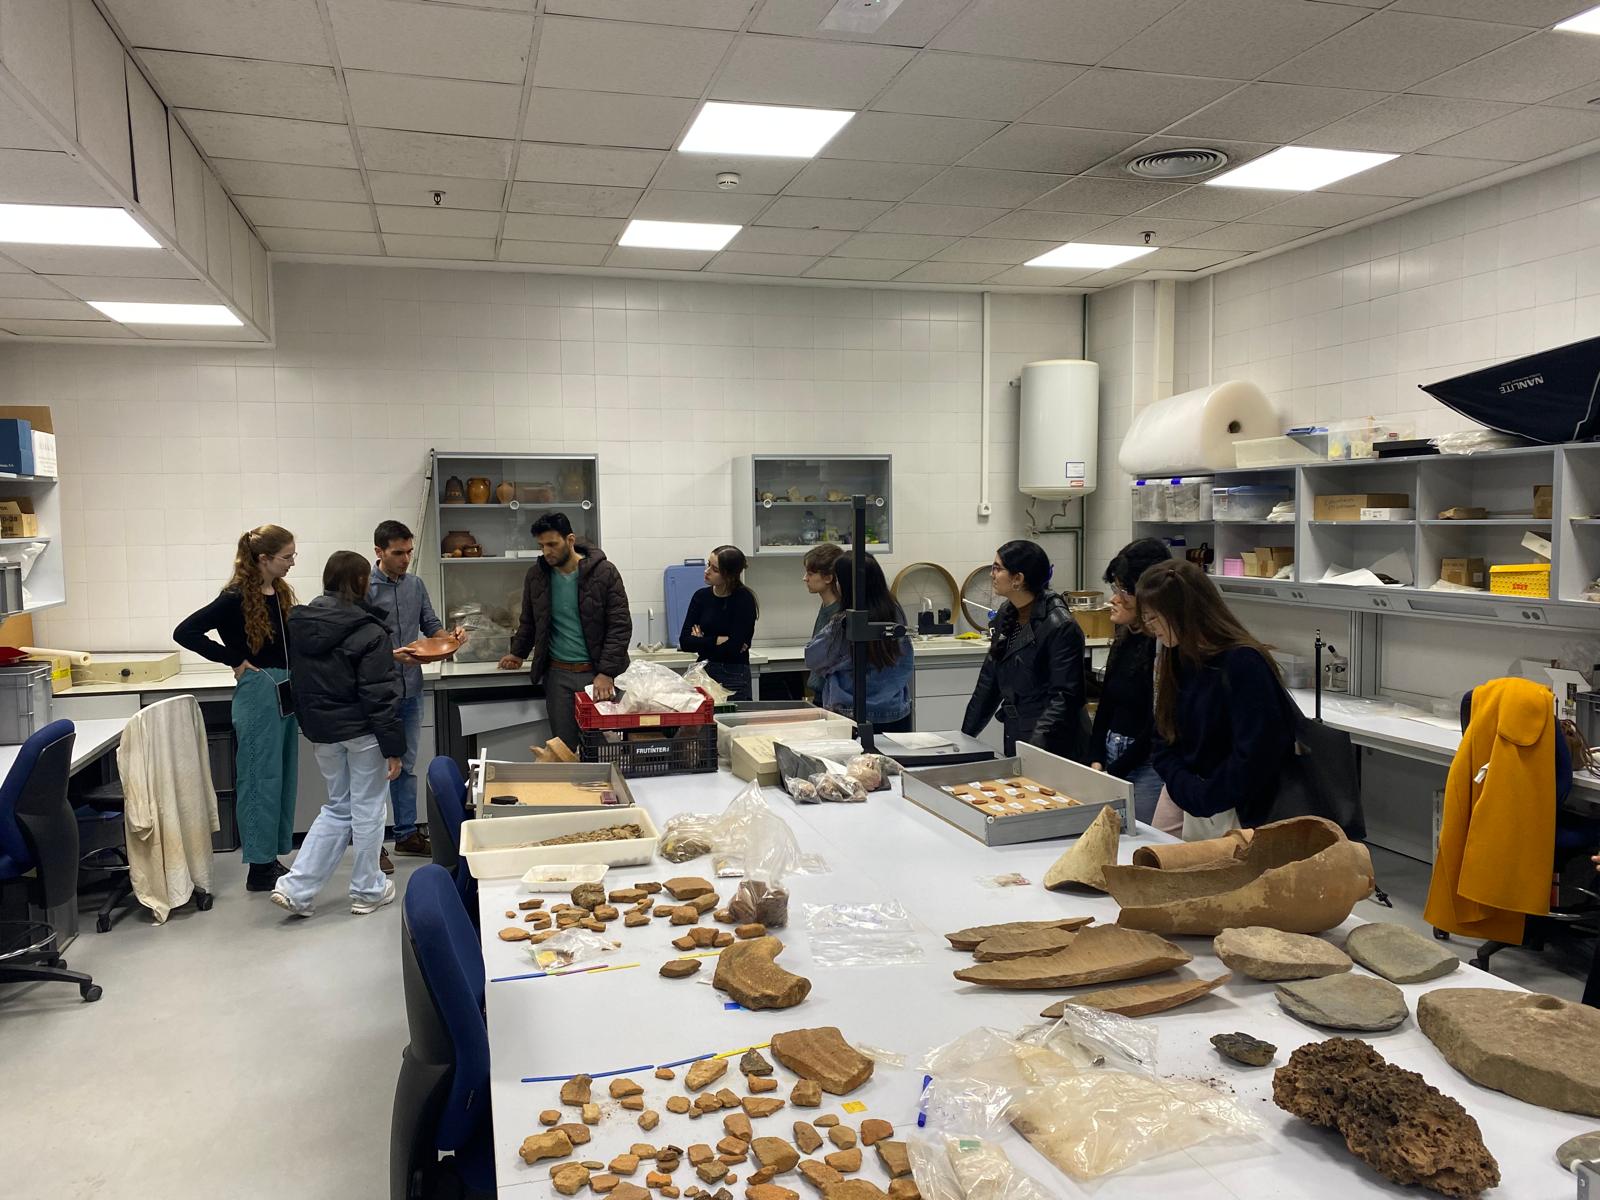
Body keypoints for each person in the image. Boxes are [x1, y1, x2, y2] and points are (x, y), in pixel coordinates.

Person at [271, 552, 405, 918]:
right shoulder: (369, 630)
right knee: (368, 809)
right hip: (363, 733)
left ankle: (297, 889)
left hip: (323, 731)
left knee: (338, 806)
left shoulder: (299, 623)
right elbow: (379, 694)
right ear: (362, 582)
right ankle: (367, 889)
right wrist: (394, 747)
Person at [173, 524, 299, 893]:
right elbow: (186, 632)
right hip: (259, 692)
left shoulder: (280, 591)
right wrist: (234, 658)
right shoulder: (233, 598)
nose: (292, 562)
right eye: (287, 556)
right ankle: (259, 868)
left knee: (282, 776)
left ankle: (271, 856)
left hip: (286, 689)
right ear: (263, 559)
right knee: (259, 778)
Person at [1136, 559, 1295, 837]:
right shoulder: (1178, 656)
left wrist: (1206, 796)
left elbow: (1257, 754)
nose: (1151, 628)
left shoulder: (1243, 662)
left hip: (1240, 810)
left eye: (1153, 617)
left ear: (1182, 612)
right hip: (1196, 803)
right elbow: (1163, 737)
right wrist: (1185, 788)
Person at [367, 519, 467, 865]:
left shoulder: (415, 586)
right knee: (376, 768)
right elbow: (355, 644)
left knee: (406, 765)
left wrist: (450, 637)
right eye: (398, 553)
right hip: (375, 693)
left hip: (410, 689)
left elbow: (431, 627)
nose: (406, 559)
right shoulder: (364, 589)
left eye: (409, 552)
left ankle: (406, 834)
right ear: (379, 552)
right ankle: (372, 843)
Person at [497, 511, 631, 755]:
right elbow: (529, 621)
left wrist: (606, 672)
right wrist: (518, 653)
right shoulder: (537, 576)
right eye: (541, 546)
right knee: (564, 749)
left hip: (596, 675)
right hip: (558, 676)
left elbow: (619, 626)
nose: (547, 551)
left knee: (605, 749)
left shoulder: (604, 573)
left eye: (552, 544)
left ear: (570, 540)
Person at [961, 540, 1088, 761]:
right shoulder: (1007, 613)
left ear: (1018, 579)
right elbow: (988, 683)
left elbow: (1064, 697)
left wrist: (1035, 748)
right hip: (1017, 729)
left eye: (997, 568)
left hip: (1054, 741)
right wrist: (964, 739)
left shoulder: (1059, 624)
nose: (992, 574)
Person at [1089, 538, 1172, 825]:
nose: (1114, 598)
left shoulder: (1165, 647)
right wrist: (1097, 756)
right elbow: (1107, 701)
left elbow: (1158, 723)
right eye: (1115, 588)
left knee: (1141, 844)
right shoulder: (1126, 635)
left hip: (1146, 764)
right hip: (1114, 756)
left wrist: (1117, 770)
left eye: (1123, 590)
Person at [804, 551, 914, 732]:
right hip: (894, 711)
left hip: (851, 713)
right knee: (892, 759)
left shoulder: (845, 621)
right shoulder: (895, 612)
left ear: (846, 585)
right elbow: (905, 660)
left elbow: (813, 658)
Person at [679, 545, 758, 701]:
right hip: (704, 671)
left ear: (729, 575)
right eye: (708, 564)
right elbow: (685, 642)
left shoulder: (743, 600)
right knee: (705, 723)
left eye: (714, 569)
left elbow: (735, 648)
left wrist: (701, 641)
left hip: (734, 675)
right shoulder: (701, 597)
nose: (707, 571)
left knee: (734, 722)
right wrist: (716, 640)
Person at [802, 543, 844, 701]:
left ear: (828, 578)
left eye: (810, 574)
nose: (805, 578)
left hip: (832, 695)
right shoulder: (826, 606)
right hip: (821, 692)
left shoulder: (838, 613)